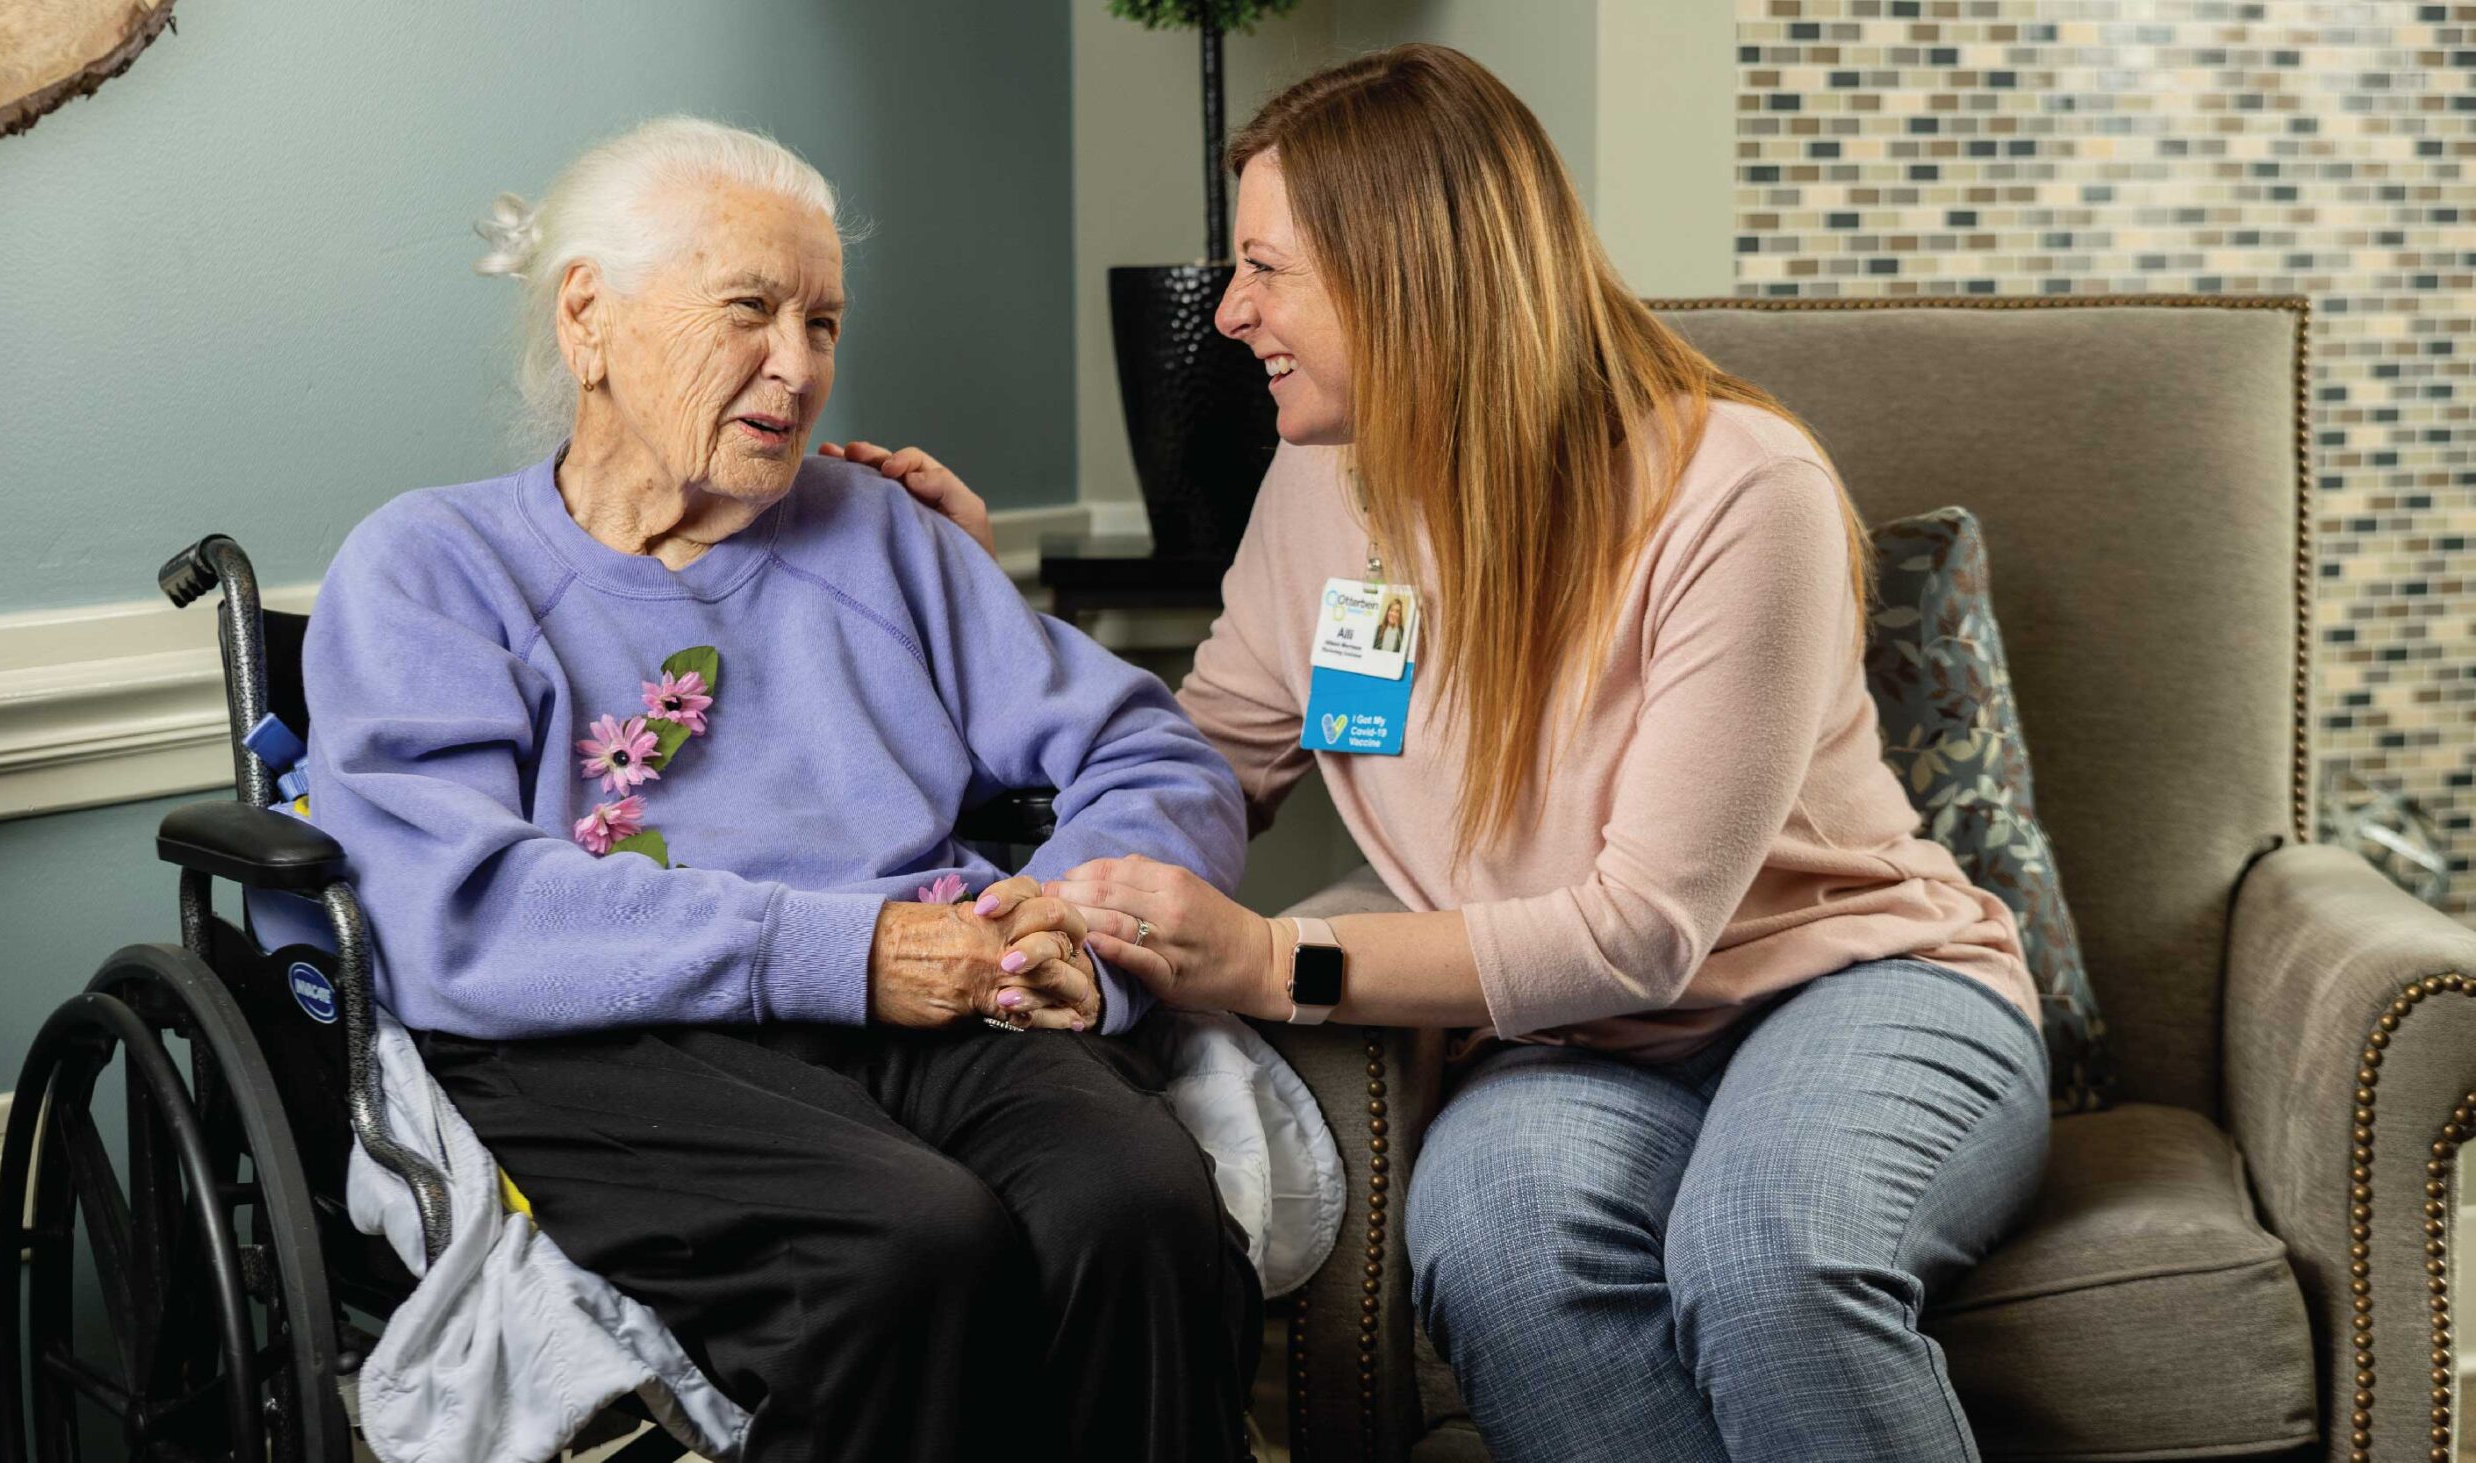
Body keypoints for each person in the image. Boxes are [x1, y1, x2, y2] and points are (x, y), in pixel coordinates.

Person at [840, 44, 2052, 1463]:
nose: (1230, 313)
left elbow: (1641, 935)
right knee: (1499, 1253)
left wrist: (1274, 961)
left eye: (1267, 269)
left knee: (1765, 1256)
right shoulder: (1319, 488)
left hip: (1854, 986)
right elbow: (1196, 762)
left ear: (1409, 273)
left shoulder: (1736, 487)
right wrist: (976, 620)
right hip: (1564, 1048)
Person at [287, 116, 1260, 1463]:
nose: (798, 368)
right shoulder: (430, 566)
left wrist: (1081, 930)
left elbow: (1155, 757)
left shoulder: (882, 536)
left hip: (936, 1000)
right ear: (590, 317)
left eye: (825, 324)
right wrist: (845, 954)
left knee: (1137, 1205)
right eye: (750, 310)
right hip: (608, 1042)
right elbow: (457, 912)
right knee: (911, 1248)